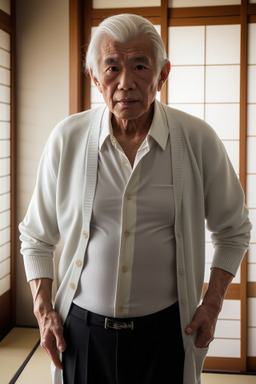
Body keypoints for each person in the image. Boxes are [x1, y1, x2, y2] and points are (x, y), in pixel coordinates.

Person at [19, 13, 252, 384]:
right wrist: (44, 310)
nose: (125, 82)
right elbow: (35, 237)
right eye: (112, 67)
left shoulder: (198, 139)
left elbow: (234, 229)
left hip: (166, 335)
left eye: (140, 66)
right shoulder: (67, 138)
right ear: (96, 77)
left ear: (162, 74)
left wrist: (212, 304)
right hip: (81, 333)